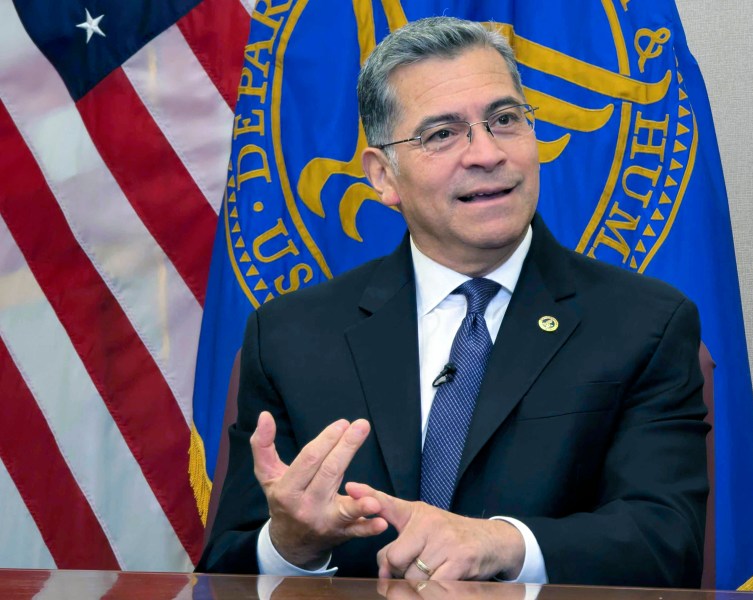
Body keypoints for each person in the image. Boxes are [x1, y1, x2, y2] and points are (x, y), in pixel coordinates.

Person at [198, 16, 709, 587]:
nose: (486, 153)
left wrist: (503, 543)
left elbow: (667, 542)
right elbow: (225, 572)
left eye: (506, 119)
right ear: (383, 177)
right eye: (442, 134)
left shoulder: (644, 325)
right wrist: (292, 545)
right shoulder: (291, 337)